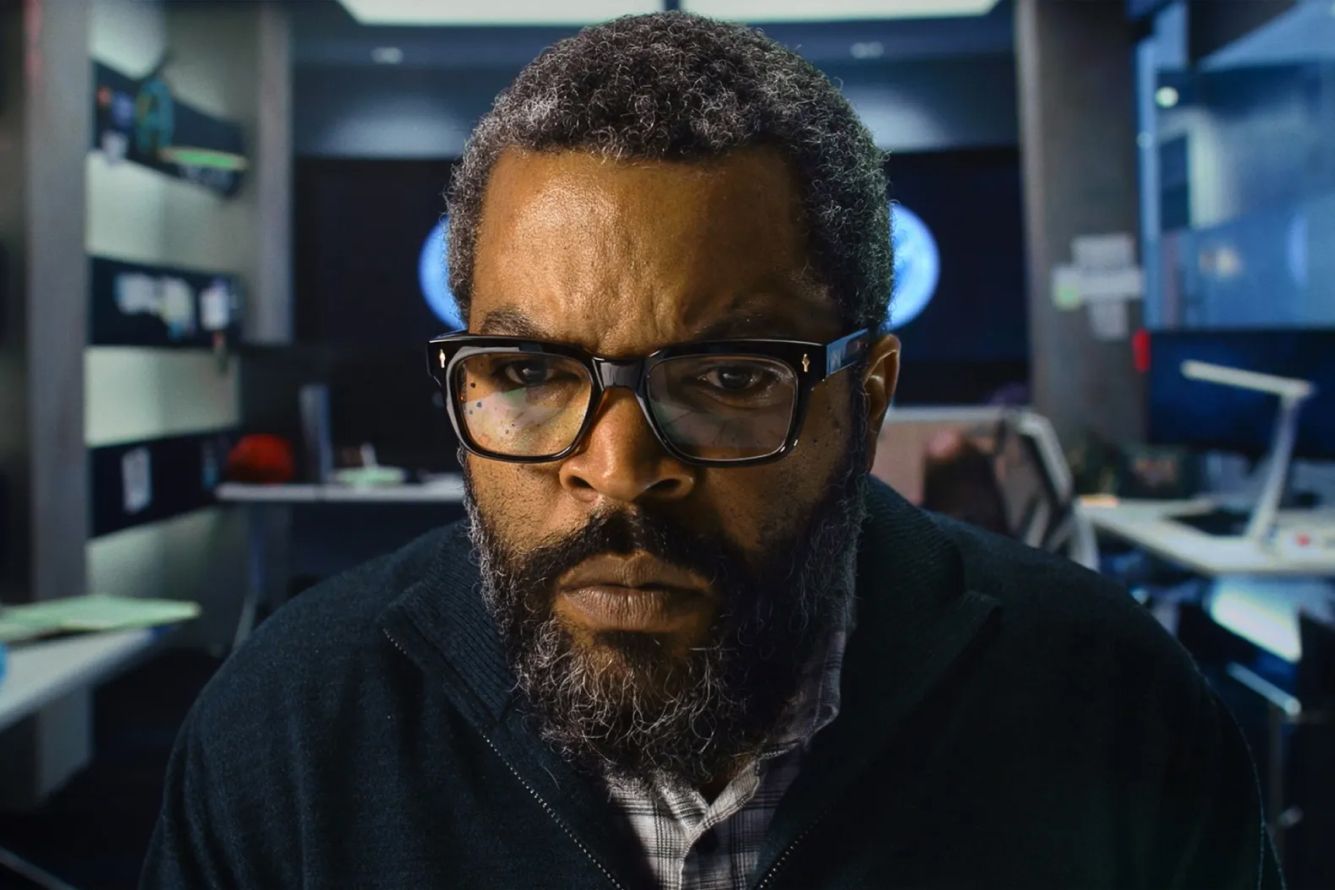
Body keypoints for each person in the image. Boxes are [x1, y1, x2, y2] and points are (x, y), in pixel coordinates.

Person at [143, 12, 1281, 890]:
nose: (618, 468)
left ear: (867, 399)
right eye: (530, 373)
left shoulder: (1112, 707)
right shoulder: (285, 732)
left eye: (730, 378)